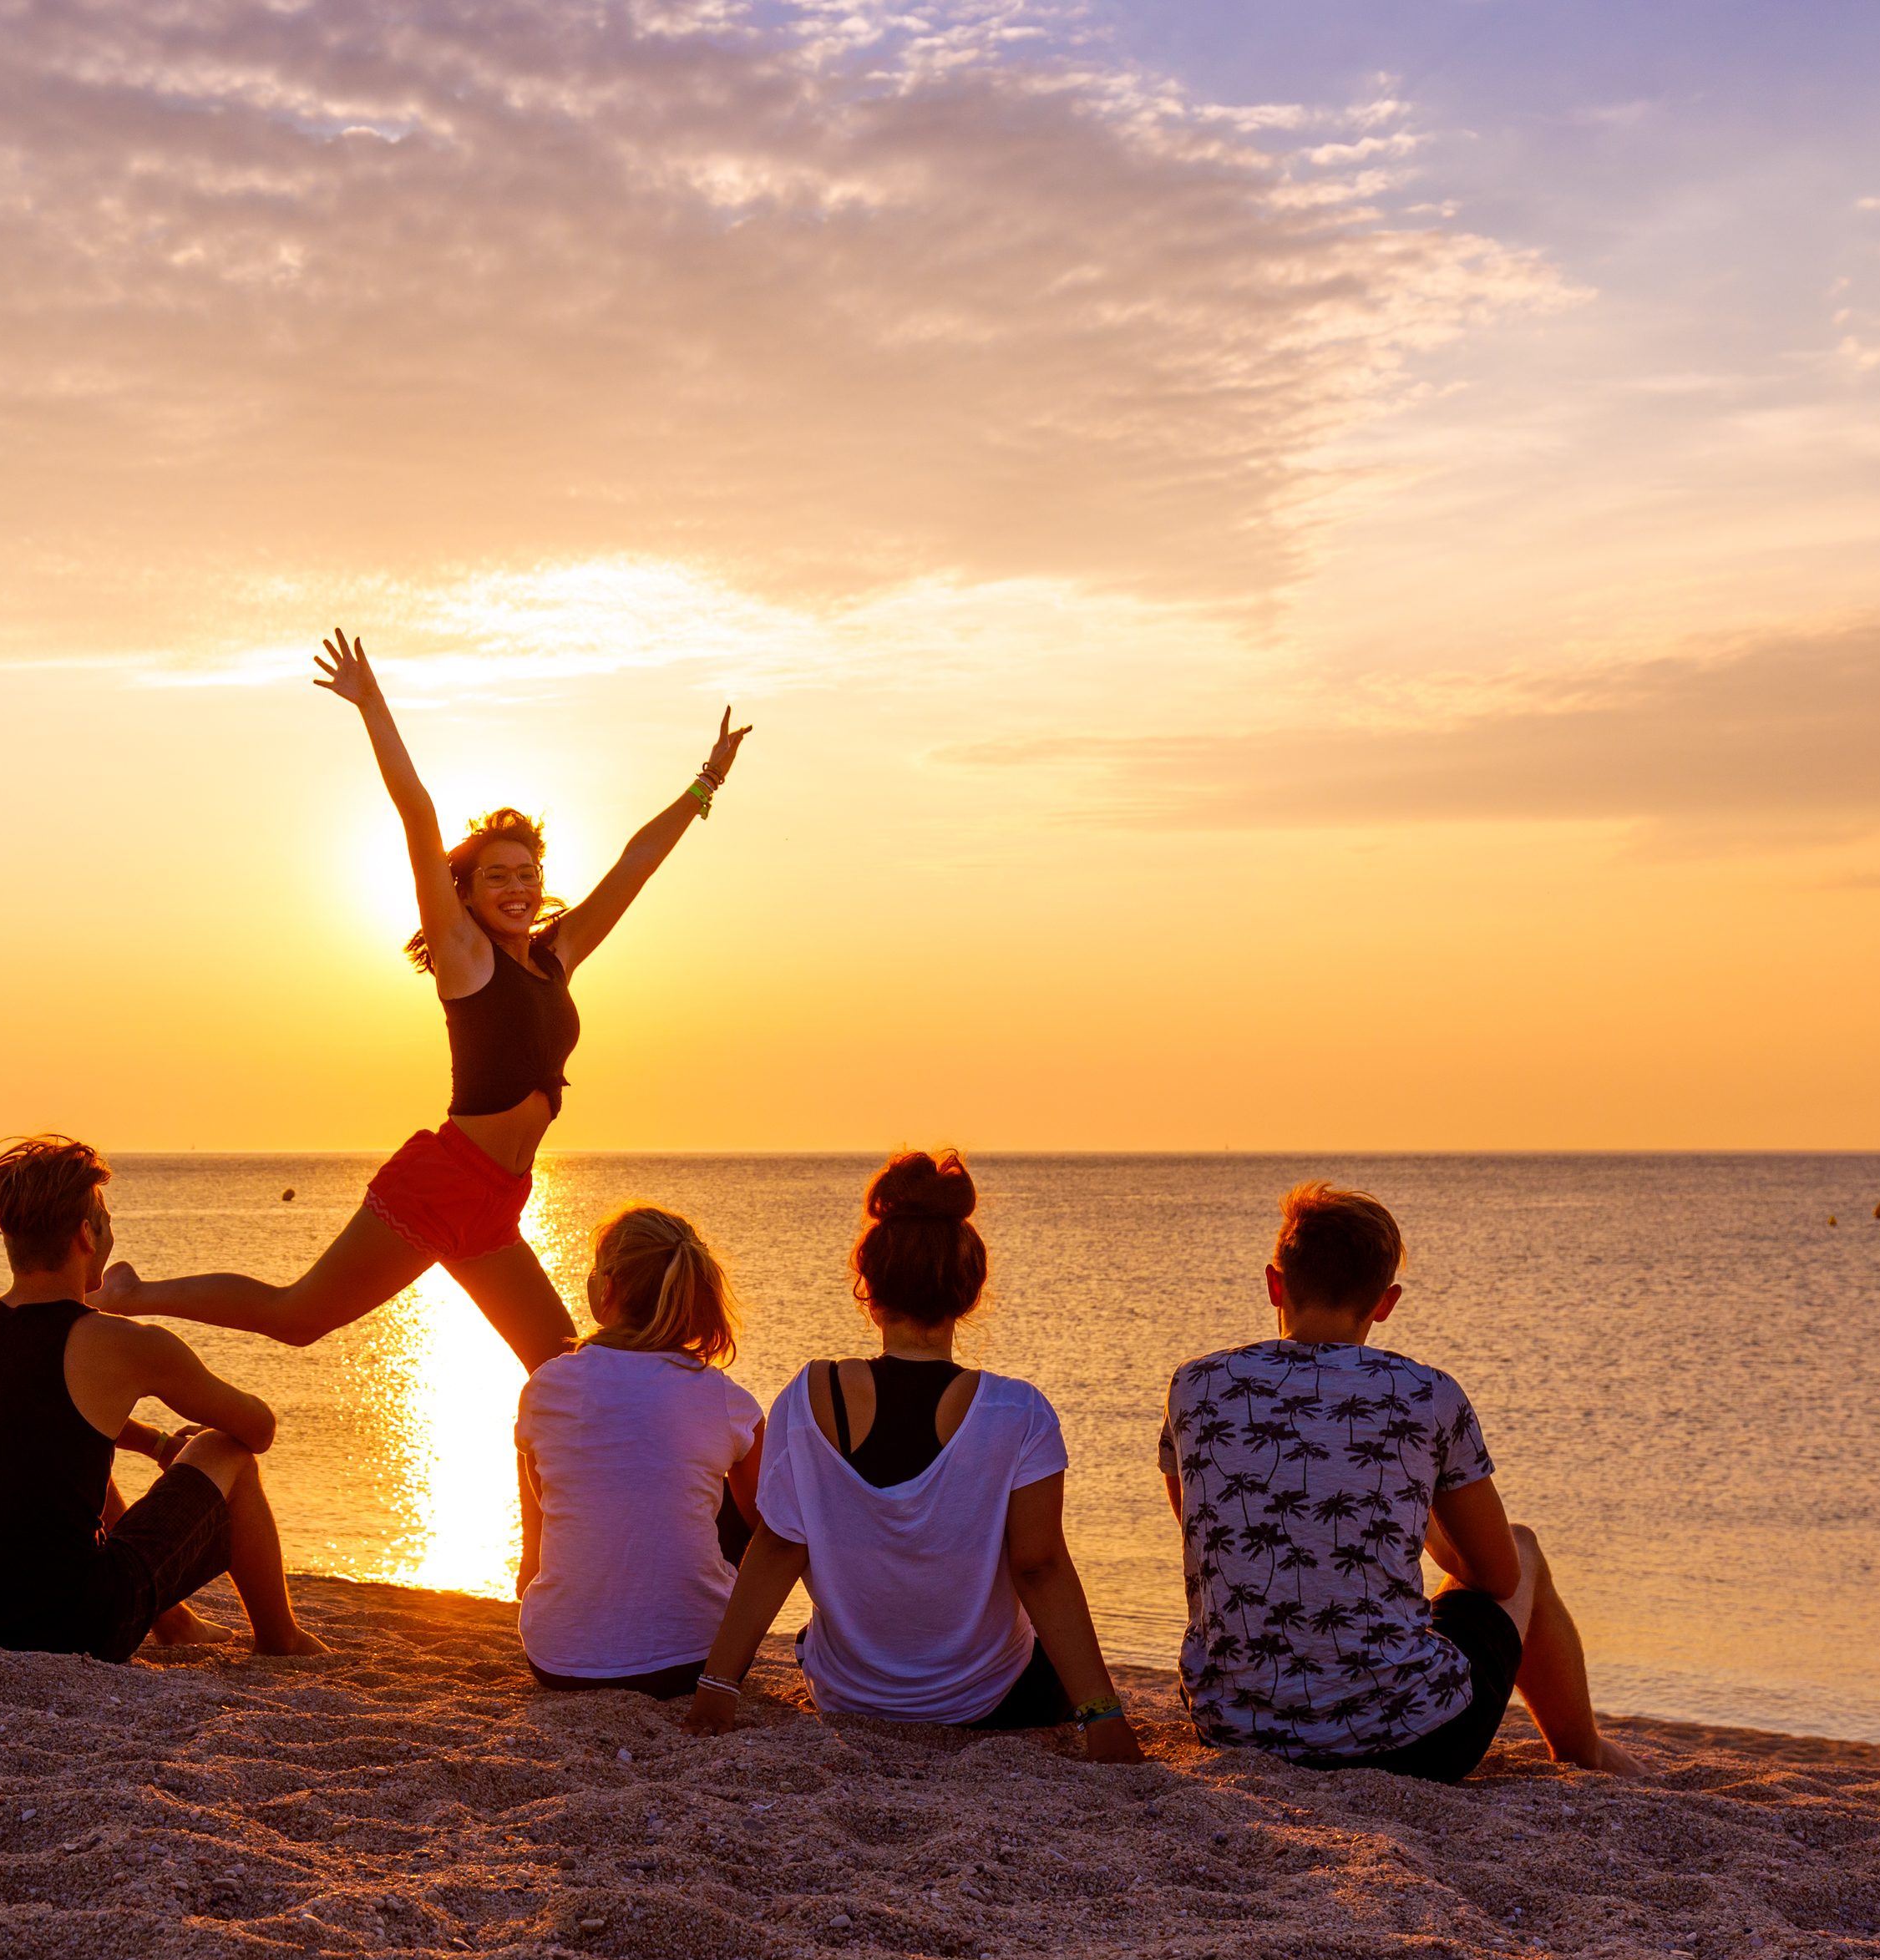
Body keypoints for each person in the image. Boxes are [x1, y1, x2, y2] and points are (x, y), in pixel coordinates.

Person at [97, 629, 751, 1371]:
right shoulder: (465, 959)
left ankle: (545, 1493)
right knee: (298, 1317)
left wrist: (707, 781)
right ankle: (132, 1295)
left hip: (500, 1201)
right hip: (441, 1184)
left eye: (528, 874)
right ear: (465, 894)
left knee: (561, 1369)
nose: (518, 887)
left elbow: (636, 861)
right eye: (497, 876)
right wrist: (373, 706)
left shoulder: (555, 957)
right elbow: (418, 815)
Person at [1158, 1182, 1641, 1780]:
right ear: (1385, 1302)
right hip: (1411, 1747)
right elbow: (1496, 1577)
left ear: (1274, 1283)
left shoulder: (1196, 1386)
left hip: (1233, 1732)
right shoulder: (1426, 1394)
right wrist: (1423, 1523)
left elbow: (1207, 1532)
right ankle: (1583, 1751)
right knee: (1521, 1547)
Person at [684, 1153, 1145, 1759]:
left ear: (868, 1289)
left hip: (849, 1698)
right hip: (992, 1705)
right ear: (970, 1291)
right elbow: (1039, 1567)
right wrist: (1104, 1717)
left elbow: (777, 1547)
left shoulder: (808, 1394)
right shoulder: (1018, 1411)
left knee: (807, 1636)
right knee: (1040, 1655)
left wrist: (718, 1686)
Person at [0, 1135, 324, 1662]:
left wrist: (157, 1444)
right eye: (107, 1224)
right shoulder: (119, 1343)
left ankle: (175, 1624)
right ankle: (282, 1641)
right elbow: (258, 1429)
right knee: (225, 1450)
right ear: (87, 1235)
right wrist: (192, 1440)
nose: (110, 1237)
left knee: (67, 1455)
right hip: (73, 1630)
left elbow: (35, 1429)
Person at [515, 1206, 765, 1697]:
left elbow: (544, 1509)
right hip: (698, 1660)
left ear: (606, 1288)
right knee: (736, 1488)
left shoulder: (545, 1386)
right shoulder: (726, 1398)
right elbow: (768, 1526)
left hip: (559, 1660)